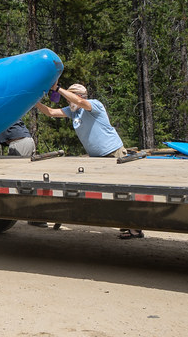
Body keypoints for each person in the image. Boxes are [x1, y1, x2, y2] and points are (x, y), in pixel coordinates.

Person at [36, 83, 140, 239]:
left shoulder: (94, 105)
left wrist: (58, 89)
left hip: (113, 154)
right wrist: (34, 102)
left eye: (69, 98)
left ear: (78, 97)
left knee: (122, 192)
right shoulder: (74, 112)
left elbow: (80, 102)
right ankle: (127, 225)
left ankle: (135, 229)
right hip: (97, 159)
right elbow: (50, 112)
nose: (67, 103)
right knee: (107, 193)